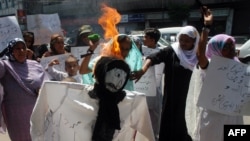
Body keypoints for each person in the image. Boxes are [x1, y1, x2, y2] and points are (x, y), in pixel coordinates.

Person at [30, 56, 155, 141]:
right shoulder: (68, 94)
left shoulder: (132, 102)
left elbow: (146, 135)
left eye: (122, 77)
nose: (118, 82)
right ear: (100, 74)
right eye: (115, 75)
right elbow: (38, 121)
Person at [131, 25, 200, 141]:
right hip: (171, 96)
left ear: (194, 41)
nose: (183, 43)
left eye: (187, 41)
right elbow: (153, 57)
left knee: (187, 122)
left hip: (190, 96)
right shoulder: (172, 51)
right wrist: (143, 70)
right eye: (181, 39)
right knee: (169, 123)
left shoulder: (198, 56)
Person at [185, 7, 243, 141]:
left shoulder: (238, 66)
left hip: (234, 117)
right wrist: (206, 27)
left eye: (232, 45)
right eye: (226, 46)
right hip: (212, 118)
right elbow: (200, 55)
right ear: (216, 48)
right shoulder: (211, 65)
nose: (231, 49)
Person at [0, 38, 48, 141]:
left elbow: (46, 82)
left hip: (36, 109)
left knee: (39, 136)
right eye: (17, 48)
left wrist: (41, 89)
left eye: (23, 48)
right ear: (10, 50)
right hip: (16, 113)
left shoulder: (35, 64)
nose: (21, 51)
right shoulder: (5, 65)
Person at [140, 27, 163, 140]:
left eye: (145, 37)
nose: (143, 39)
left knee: (154, 116)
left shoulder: (162, 54)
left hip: (155, 91)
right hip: (141, 89)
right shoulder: (139, 52)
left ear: (153, 40)